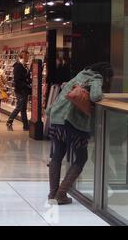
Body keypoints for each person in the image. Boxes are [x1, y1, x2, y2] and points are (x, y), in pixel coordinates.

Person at [46, 62, 113, 205]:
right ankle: (61, 193)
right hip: (72, 123)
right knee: (81, 158)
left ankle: (52, 194)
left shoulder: (80, 75)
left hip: (56, 118)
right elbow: (96, 96)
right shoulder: (96, 78)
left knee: (57, 155)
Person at [6, 50, 31, 131]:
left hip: (24, 89)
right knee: (20, 106)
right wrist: (26, 85)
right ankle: (9, 121)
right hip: (21, 90)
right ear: (23, 56)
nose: (28, 58)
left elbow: (25, 77)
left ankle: (26, 125)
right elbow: (18, 79)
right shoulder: (18, 66)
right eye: (27, 56)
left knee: (23, 108)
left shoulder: (24, 66)